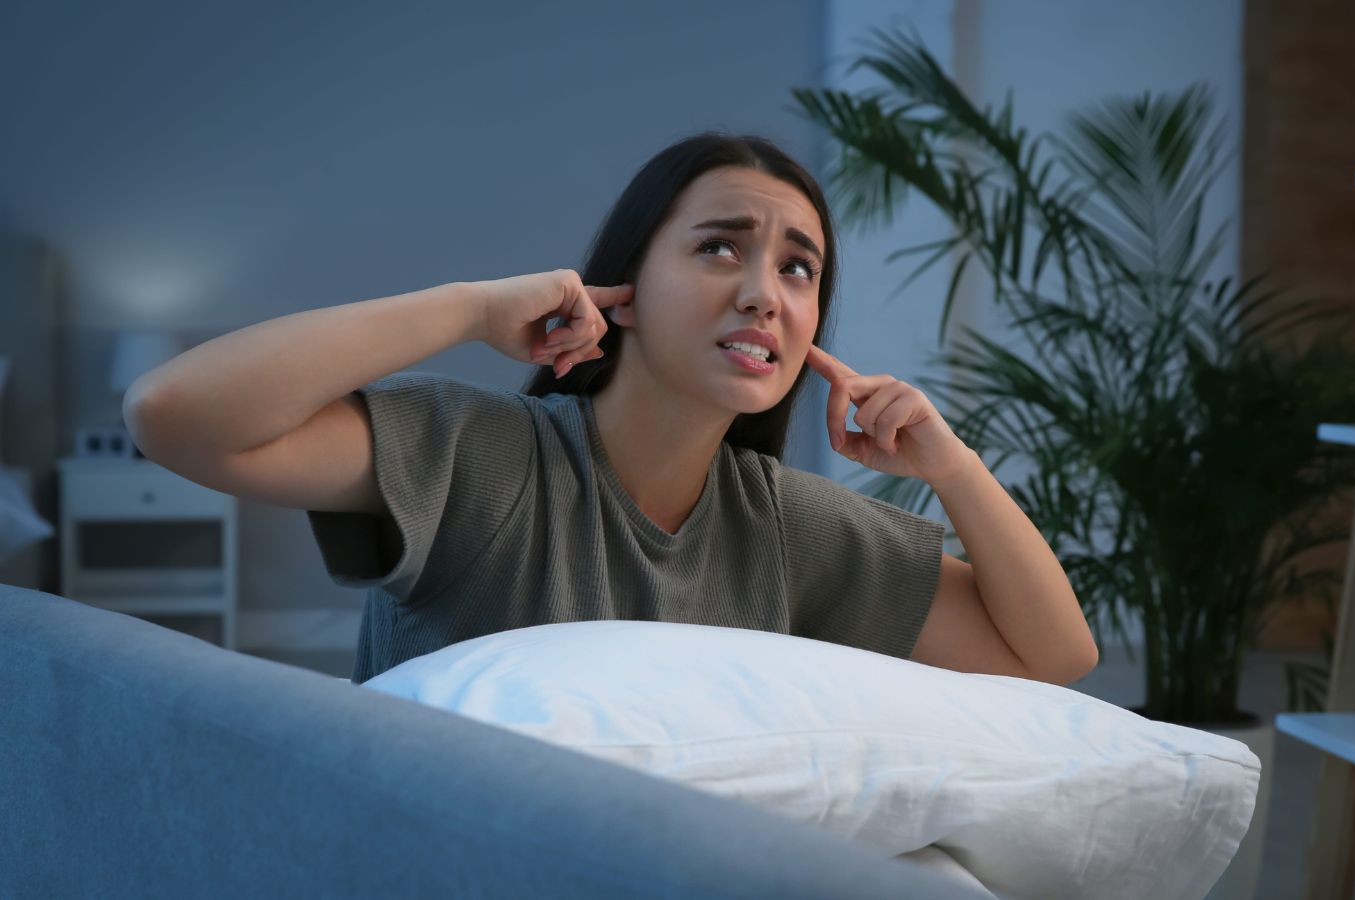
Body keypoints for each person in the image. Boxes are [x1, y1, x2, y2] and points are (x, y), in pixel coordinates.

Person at [124, 132, 1097, 686]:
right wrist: (469, 308)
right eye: (721, 246)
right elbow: (172, 412)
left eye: (799, 268)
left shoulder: (788, 527)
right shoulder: (480, 453)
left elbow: (1054, 655)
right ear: (624, 284)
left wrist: (951, 466)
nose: (766, 291)